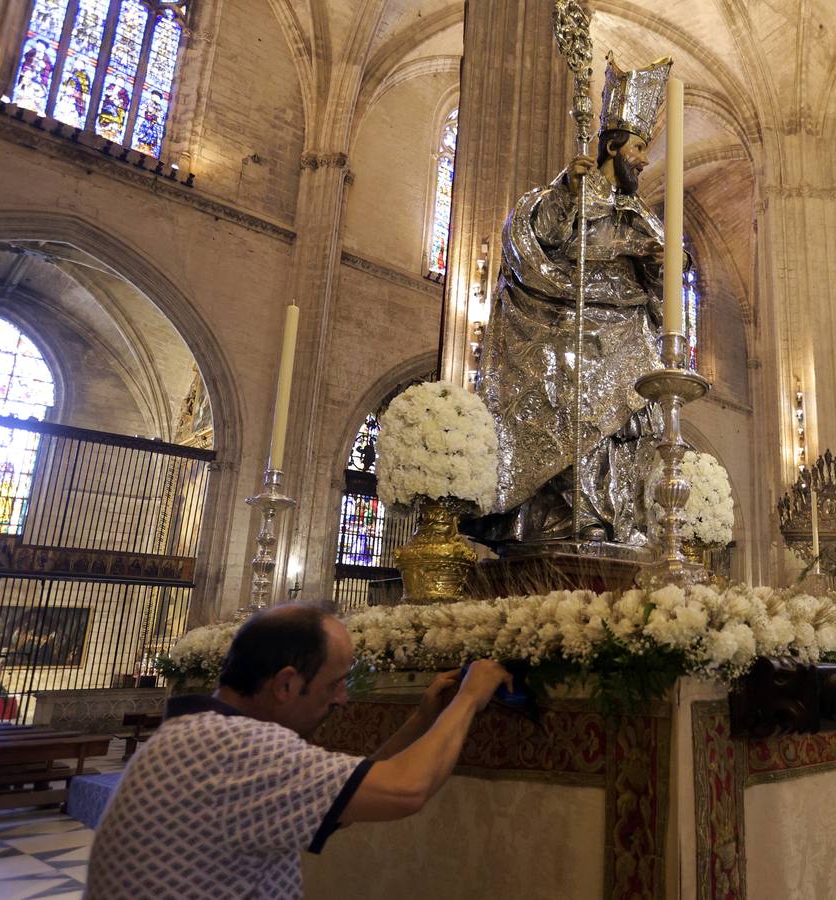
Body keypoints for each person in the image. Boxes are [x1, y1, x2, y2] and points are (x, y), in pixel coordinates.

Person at [85, 604, 511, 899]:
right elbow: (405, 790)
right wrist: (470, 698)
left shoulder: (202, 735)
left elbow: (346, 798)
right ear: (286, 685)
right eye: (335, 683)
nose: (342, 698)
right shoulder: (235, 746)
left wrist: (423, 720)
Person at [471, 55, 674, 547]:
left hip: (626, 340)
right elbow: (531, 242)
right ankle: (566, 522)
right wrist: (567, 191)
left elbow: (663, 285)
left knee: (625, 433)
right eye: (641, 147)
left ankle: (614, 522)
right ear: (612, 145)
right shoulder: (566, 191)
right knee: (573, 422)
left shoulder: (639, 217)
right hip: (564, 331)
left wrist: (657, 260)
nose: (645, 161)